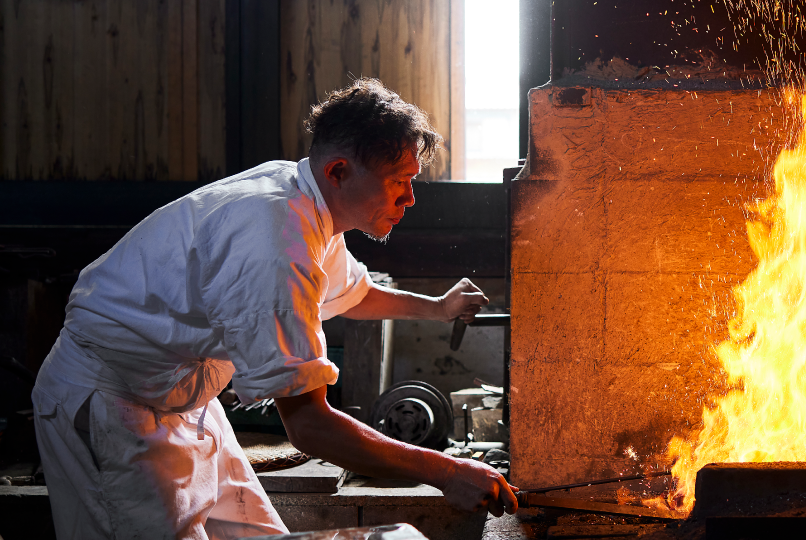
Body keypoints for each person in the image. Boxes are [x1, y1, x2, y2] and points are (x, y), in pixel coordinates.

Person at [31, 77, 518, 540]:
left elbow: (354, 293)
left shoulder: (311, 203)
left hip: (186, 401)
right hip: (114, 406)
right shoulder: (277, 241)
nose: (409, 198)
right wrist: (446, 471)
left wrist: (439, 308)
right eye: (398, 181)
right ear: (339, 171)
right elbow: (309, 426)